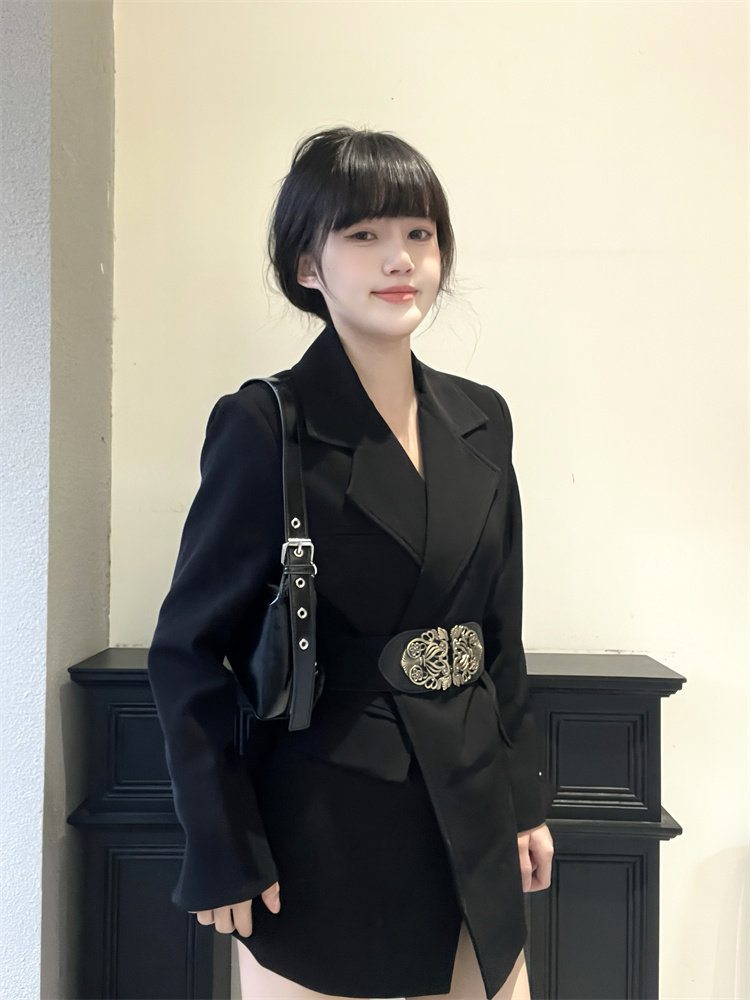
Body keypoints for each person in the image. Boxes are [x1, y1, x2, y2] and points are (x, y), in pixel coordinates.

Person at [148, 127, 554, 1000]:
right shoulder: (267, 426)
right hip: (327, 828)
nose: (399, 258)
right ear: (308, 265)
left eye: (419, 233)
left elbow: (500, 630)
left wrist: (524, 799)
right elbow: (186, 652)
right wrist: (220, 844)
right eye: (364, 234)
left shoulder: (482, 418)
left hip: (476, 814)